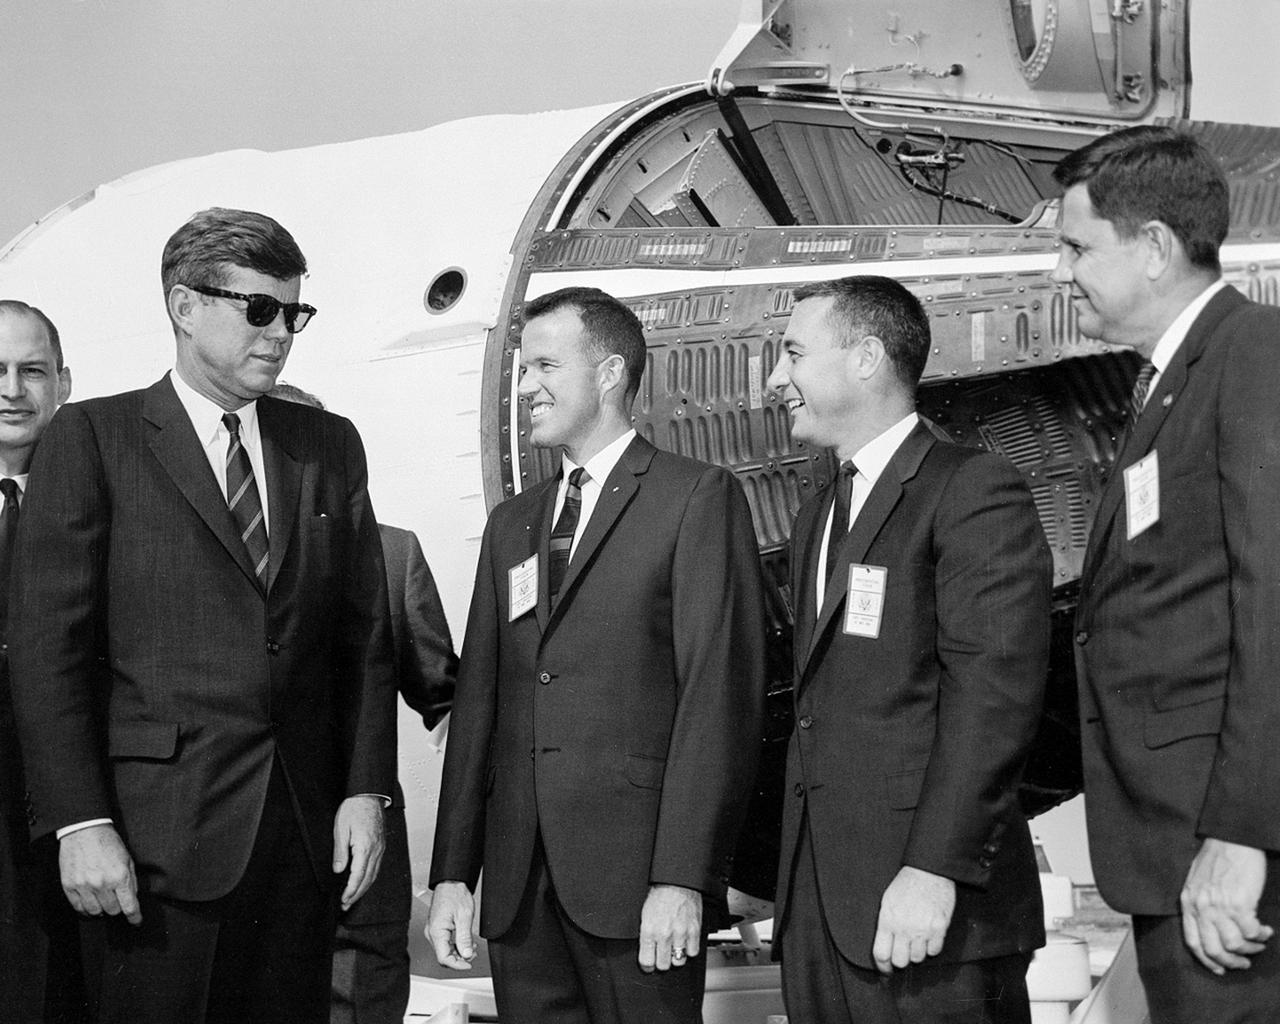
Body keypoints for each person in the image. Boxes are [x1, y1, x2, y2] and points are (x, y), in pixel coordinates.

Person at [8, 208, 397, 1024]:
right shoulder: (93, 438)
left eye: (293, 313)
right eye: (258, 309)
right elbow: (50, 652)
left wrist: (364, 792)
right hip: (151, 852)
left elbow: (361, 641)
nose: (281, 333)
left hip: (297, 845)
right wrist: (80, 821)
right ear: (185, 307)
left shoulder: (328, 445)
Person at [426, 285, 766, 1024]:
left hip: (637, 889)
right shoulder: (513, 525)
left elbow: (717, 700)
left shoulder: (695, 499)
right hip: (521, 892)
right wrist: (453, 873)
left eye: (546, 365)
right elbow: (480, 700)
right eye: (523, 369)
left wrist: (683, 878)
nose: (525, 388)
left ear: (610, 374)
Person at [765, 275, 1051, 1024]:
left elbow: (993, 699)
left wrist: (933, 868)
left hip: (930, 915)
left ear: (865, 358)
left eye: (793, 352)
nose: (775, 378)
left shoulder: (971, 490)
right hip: (824, 919)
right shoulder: (818, 512)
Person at [1056, 126, 1280, 1022]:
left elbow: (1274, 602)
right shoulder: (1169, 383)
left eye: (1077, 248)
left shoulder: (1252, 356)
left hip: (1222, 851)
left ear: (1153, 247)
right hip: (1173, 845)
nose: (1064, 272)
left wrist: (1243, 834)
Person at [269, 382, 459, 1024]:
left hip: (366, 868)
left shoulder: (394, 552)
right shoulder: (218, 559)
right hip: (254, 846)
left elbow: (446, 698)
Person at [0, 301, 86, 1024]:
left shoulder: (112, 499)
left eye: (31, 371)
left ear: (63, 384)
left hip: (70, 820)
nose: (11, 390)